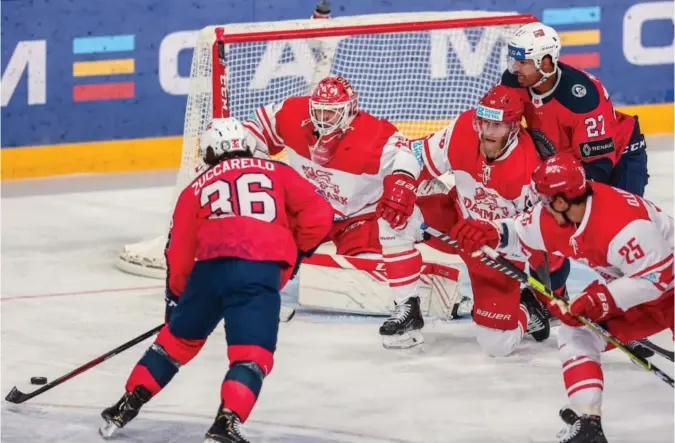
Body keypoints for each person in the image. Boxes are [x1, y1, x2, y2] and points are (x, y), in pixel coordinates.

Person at [99, 118, 334, 442]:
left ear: (209, 153)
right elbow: (320, 215)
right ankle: (226, 423)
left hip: (208, 271)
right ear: (247, 146)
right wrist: (294, 254)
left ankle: (124, 406)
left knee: (176, 343)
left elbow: (178, 253)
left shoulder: (194, 189)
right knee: (252, 354)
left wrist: (178, 301)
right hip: (258, 270)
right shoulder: (276, 171)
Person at [449, 153, 673, 443]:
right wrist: (490, 232)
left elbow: (657, 277)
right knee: (576, 330)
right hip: (636, 293)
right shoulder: (557, 215)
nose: (540, 205)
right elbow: (519, 232)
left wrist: (599, 300)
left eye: (544, 199)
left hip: (663, 285)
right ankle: (588, 423)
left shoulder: (623, 224)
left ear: (562, 200)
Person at [243, 75, 459, 349]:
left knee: (366, 269)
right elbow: (255, 127)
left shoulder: (376, 138)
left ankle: (424, 296)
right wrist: (249, 163)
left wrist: (417, 194)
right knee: (260, 234)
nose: (323, 118)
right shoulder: (292, 114)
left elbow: (413, 161)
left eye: (331, 112)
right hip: (306, 211)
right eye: (318, 110)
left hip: (358, 219)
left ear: (349, 111)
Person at [376, 84, 552, 358]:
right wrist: (403, 181)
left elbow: (535, 235)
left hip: (495, 250)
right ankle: (407, 309)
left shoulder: (529, 170)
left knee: (497, 346)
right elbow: (412, 153)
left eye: (497, 125)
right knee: (395, 218)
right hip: (457, 222)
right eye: (484, 122)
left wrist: (492, 235)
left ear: (514, 128)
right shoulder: (463, 131)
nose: (487, 132)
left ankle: (527, 309)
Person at [502, 22, 648, 197]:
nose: (515, 68)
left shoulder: (581, 99)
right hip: (568, 161)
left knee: (618, 219)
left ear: (546, 64)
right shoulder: (513, 82)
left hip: (619, 158)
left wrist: (561, 193)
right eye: (514, 61)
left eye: (523, 62)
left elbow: (599, 165)